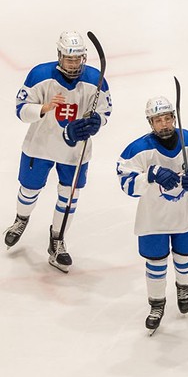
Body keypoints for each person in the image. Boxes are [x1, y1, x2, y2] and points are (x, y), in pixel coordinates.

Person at [7, 31, 112, 271]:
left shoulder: (96, 79)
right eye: (69, 59)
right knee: (29, 188)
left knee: (69, 196)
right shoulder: (40, 75)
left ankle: (57, 239)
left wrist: (97, 122)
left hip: (75, 153)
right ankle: (21, 219)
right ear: (59, 56)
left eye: (77, 59)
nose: (73, 64)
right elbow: (21, 109)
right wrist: (43, 108)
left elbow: (105, 111)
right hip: (40, 146)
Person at [115, 96, 188, 333]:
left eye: (167, 118)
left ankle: (183, 287)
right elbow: (126, 183)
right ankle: (157, 303)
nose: (164, 124)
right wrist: (149, 175)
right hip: (153, 219)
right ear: (150, 123)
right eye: (158, 120)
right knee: (156, 261)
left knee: (185, 256)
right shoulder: (138, 149)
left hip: (187, 215)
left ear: (174, 117)